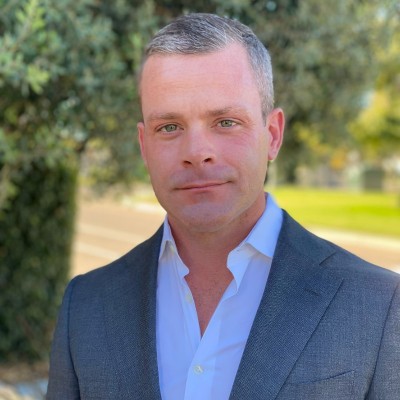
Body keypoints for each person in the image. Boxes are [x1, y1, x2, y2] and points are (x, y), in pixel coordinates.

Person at [46, 13, 400, 400]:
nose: (197, 152)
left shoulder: (379, 305)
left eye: (226, 122)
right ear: (144, 146)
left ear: (273, 135)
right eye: (169, 127)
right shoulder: (86, 305)